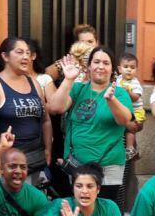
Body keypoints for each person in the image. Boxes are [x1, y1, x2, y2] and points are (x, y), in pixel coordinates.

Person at [48, 47, 134, 206]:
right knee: (78, 211)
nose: (101, 66)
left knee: (105, 211)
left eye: (106, 63)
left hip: (109, 164)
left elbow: (125, 120)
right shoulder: (77, 89)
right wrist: (68, 79)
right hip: (77, 165)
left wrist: (111, 100)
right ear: (88, 66)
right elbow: (55, 108)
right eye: (96, 62)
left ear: (112, 69)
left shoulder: (120, 93)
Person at [0, 38, 51, 185]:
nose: (25, 57)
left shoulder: (35, 84)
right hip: (7, 164)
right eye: (19, 52)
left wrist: (48, 149)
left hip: (35, 161)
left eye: (27, 53)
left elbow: (45, 120)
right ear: (5, 56)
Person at [115, 52, 146, 161]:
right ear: (119, 69)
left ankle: (130, 148)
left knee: (130, 129)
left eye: (132, 68)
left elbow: (136, 98)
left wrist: (128, 93)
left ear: (136, 70)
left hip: (136, 111)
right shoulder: (118, 80)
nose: (129, 70)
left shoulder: (135, 83)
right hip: (124, 111)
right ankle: (134, 149)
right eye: (126, 67)